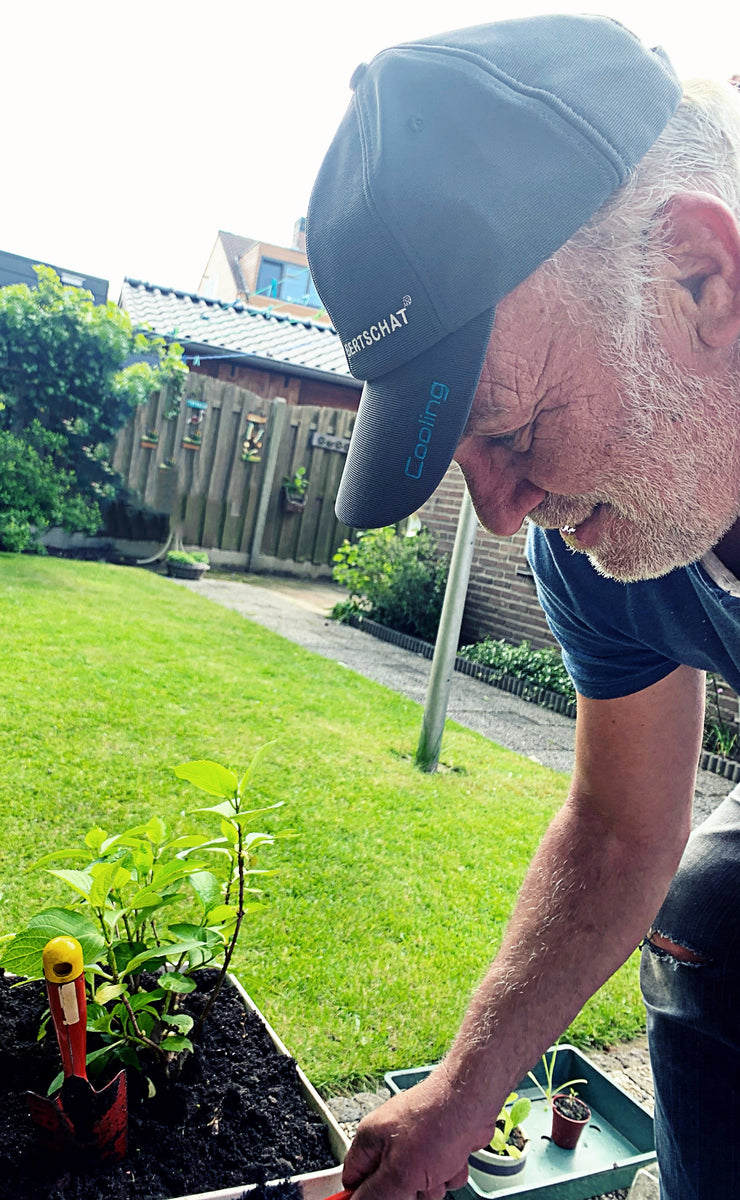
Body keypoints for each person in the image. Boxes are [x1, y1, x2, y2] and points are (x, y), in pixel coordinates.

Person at [306, 14, 740, 1200]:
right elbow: (618, 826)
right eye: (462, 459)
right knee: (714, 911)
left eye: (508, 428)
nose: (500, 513)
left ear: (704, 280)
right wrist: (461, 1093)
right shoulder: (603, 554)